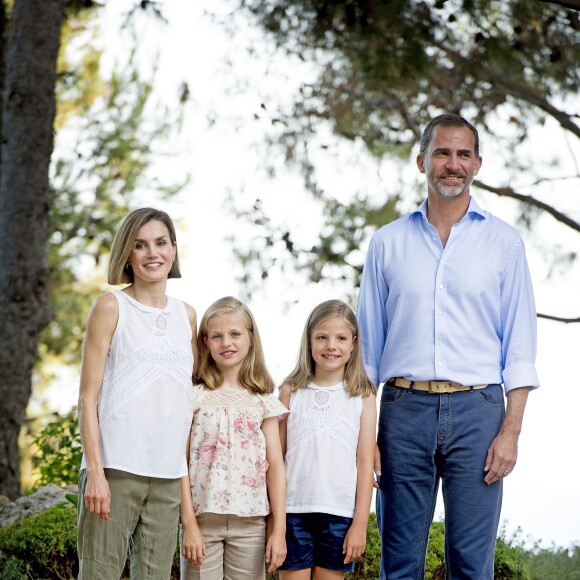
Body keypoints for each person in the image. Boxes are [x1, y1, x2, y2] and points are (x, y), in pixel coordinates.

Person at [356, 113, 540, 579]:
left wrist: (511, 431)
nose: (451, 164)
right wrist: (366, 438)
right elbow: (367, 356)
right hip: (402, 411)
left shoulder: (505, 244)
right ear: (421, 161)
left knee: (471, 565)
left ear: (477, 163)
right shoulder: (386, 244)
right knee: (398, 565)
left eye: (462, 154)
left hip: (479, 413)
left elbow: (519, 346)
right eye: (442, 152)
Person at [76, 208, 198, 578]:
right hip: (115, 469)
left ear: (173, 250)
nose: (152, 253)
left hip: (166, 475)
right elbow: (87, 398)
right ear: (128, 255)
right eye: (140, 245)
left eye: (161, 243)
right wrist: (95, 473)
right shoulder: (111, 307)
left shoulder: (188, 316)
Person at [180, 296, 288, 579]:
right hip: (202, 522)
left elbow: (275, 467)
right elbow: (180, 463)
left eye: (235, 334)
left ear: (250, 339)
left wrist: (279, 530)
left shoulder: (263, 400)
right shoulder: (194, 397)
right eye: (217, 336)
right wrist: (188, 525)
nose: (226, 342)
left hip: (251, 523)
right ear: (205, 342)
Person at [277, 299, 377, 580]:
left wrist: (359, 524)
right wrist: (275, 521)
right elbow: (277, 458)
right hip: (292, 513)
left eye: (341, 338)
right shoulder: (290, 391)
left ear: (353, 343)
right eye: (322, 337)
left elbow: (364, 463)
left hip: (339, 515)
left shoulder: (363, 396)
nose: (331, 345)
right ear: (309, 341)